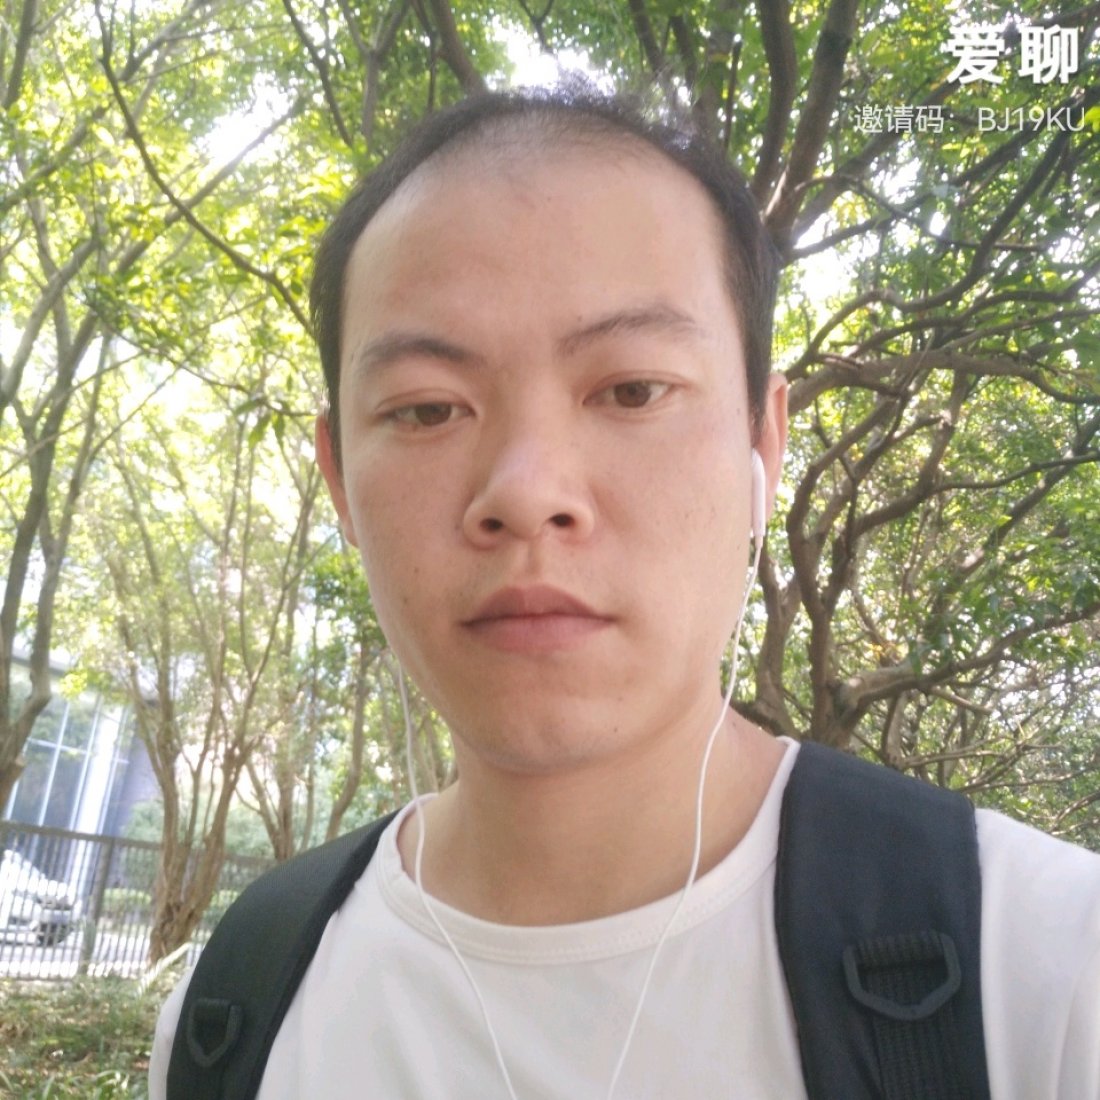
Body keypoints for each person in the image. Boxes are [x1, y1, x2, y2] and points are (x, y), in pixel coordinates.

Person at [149, 87, 1100, 1099]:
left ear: (761, 442)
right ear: (339, 478)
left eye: (632, 390)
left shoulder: (1044, 968)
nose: (526, 493)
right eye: (427, 408)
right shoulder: (235, 1015)